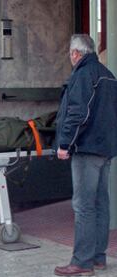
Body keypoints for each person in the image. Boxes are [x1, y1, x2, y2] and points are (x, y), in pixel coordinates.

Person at [54, 34, 117, 276]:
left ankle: (82, 262)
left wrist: (64, 144)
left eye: (70, 54)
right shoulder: (108, 75)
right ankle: (98, 257)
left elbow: (78, 113)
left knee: (83, 206)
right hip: (105, 149)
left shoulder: (82, 74)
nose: (71, 58)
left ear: (76, 53)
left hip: (86, 148)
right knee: (100, 202)